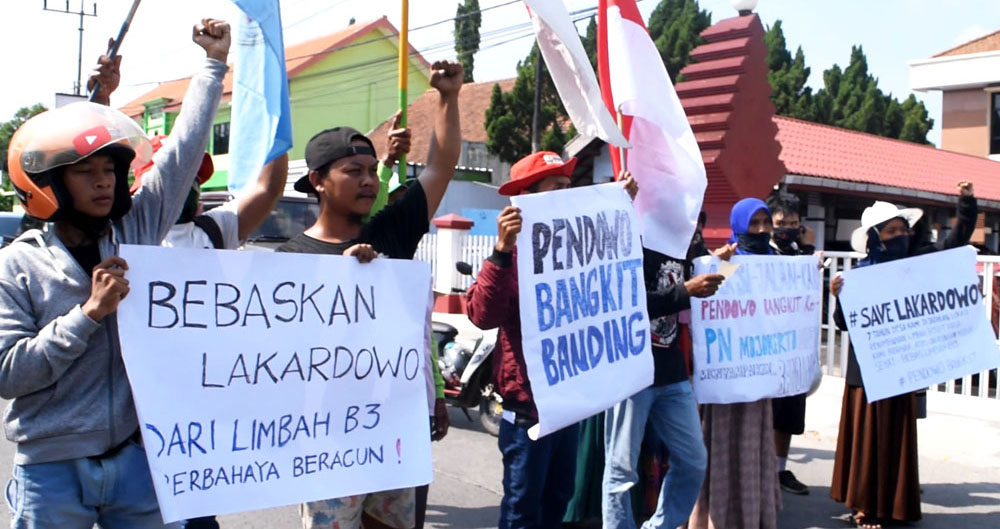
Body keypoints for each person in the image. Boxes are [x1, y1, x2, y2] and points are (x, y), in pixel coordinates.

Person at [0, 18, 229, 529]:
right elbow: (9, 373)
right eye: (86, 174)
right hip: (52, 470)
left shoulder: (137, 228)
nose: (104, 184)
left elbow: (180, 155)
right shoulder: (16, 265)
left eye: (110, 172)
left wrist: (212, 66)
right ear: (48, 185)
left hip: (138, 460)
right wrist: (87, 315)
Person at [278, 60, 463, 529]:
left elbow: (441, 166)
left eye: (371, 170)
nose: (368, 180)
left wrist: (447, 98)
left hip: (393, 432)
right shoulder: (287, 260)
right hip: (324, 443)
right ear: (318, 180)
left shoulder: (392, 233)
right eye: (352, 170)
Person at [465, 151, 636, 529]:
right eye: (556, 187)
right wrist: (502, 252)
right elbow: (481, 315)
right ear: (529, 196)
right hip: (527, 408)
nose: (566, 193)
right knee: (523, 509)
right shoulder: (510, 255)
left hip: (568, 403)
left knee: (558, 498)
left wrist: (619, 207)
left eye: (567, 186)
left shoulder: (575, 251)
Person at [830, 182, 976, 529]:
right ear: (876, 237)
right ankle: (864, 506)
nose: (901, 236)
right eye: (892, 231)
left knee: (896, 439)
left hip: (900, 371)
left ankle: (895, 506)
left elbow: (955, 244)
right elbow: (842, 323)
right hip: (866, 376)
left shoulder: (918, 267)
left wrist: (966, 205)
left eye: (903, 230)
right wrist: (839, 296)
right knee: (868, 443)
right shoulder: (859, 275)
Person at [601, 244, 721, 529]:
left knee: (693, 461)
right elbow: (625, 302)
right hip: (631, 373)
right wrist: (685, 291)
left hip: (672, 372)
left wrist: (718, 264)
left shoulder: (687, 240)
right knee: (621, 470)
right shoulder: (629, 238)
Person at [688, 198, 781, 529]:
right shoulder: (726, 263)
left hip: (759, 378)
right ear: (738, 226)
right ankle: (713, 517)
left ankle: (752, 514)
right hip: (725, 381)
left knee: (752, 446)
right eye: (753, 224)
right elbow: (707, 304)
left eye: (765, 223)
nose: (760, 230)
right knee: (720, 447)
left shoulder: (780, 266)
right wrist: (717, 264)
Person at [764, 192, 813, 495]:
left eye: (793, 223)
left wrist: (808, 250)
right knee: (766, 411)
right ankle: (763, 468)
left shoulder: (800, 252)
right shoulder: (760, 252)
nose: (788, 228)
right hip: (765, 346)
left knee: (789, 413)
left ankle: (780, 470)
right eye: (782, 223)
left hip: (795, 346)